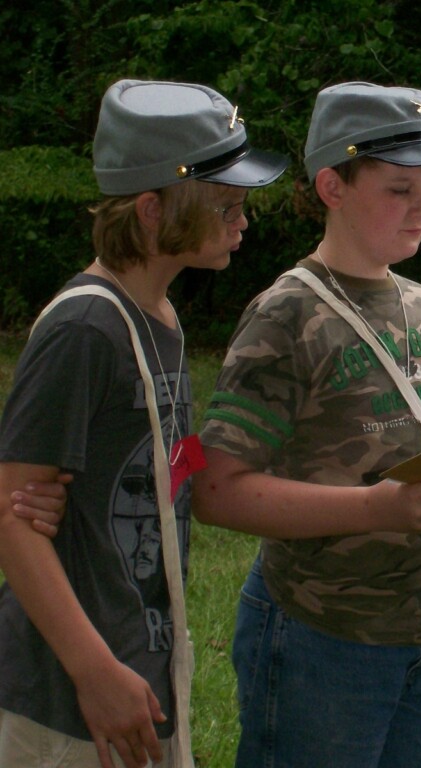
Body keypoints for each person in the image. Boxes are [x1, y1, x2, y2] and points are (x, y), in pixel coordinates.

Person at [192, 81, 421, 768]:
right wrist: (374, 507)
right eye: (398, 189)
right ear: (332, 185)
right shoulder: (287, 314)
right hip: (327, 638)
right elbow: (216, 491)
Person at [0, 78, 288, 768]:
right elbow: (12, 517)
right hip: (69, 695)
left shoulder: (158, 316)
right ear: (153, 210)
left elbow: (165, 464)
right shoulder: (84, 328)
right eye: (225, 204)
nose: (242, 219)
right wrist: (93, 672)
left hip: (142, 663)